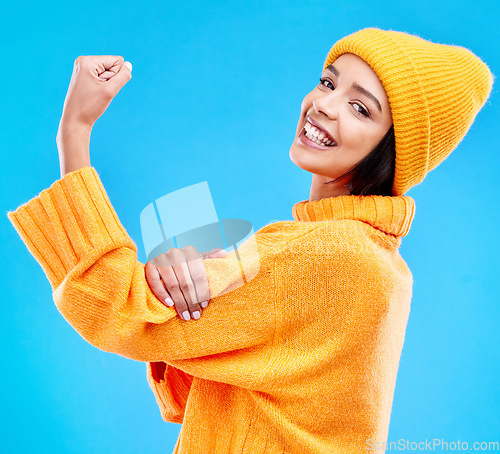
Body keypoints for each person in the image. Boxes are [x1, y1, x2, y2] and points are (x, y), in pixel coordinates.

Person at [6, 27, 493, 454]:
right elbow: (191, 394)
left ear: (392, 150)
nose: (323, 104)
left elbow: (119, 305)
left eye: (360, 108)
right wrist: (183, 292)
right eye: (328, 81)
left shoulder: (331, 257)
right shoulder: (370, 261)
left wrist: (75, 130)